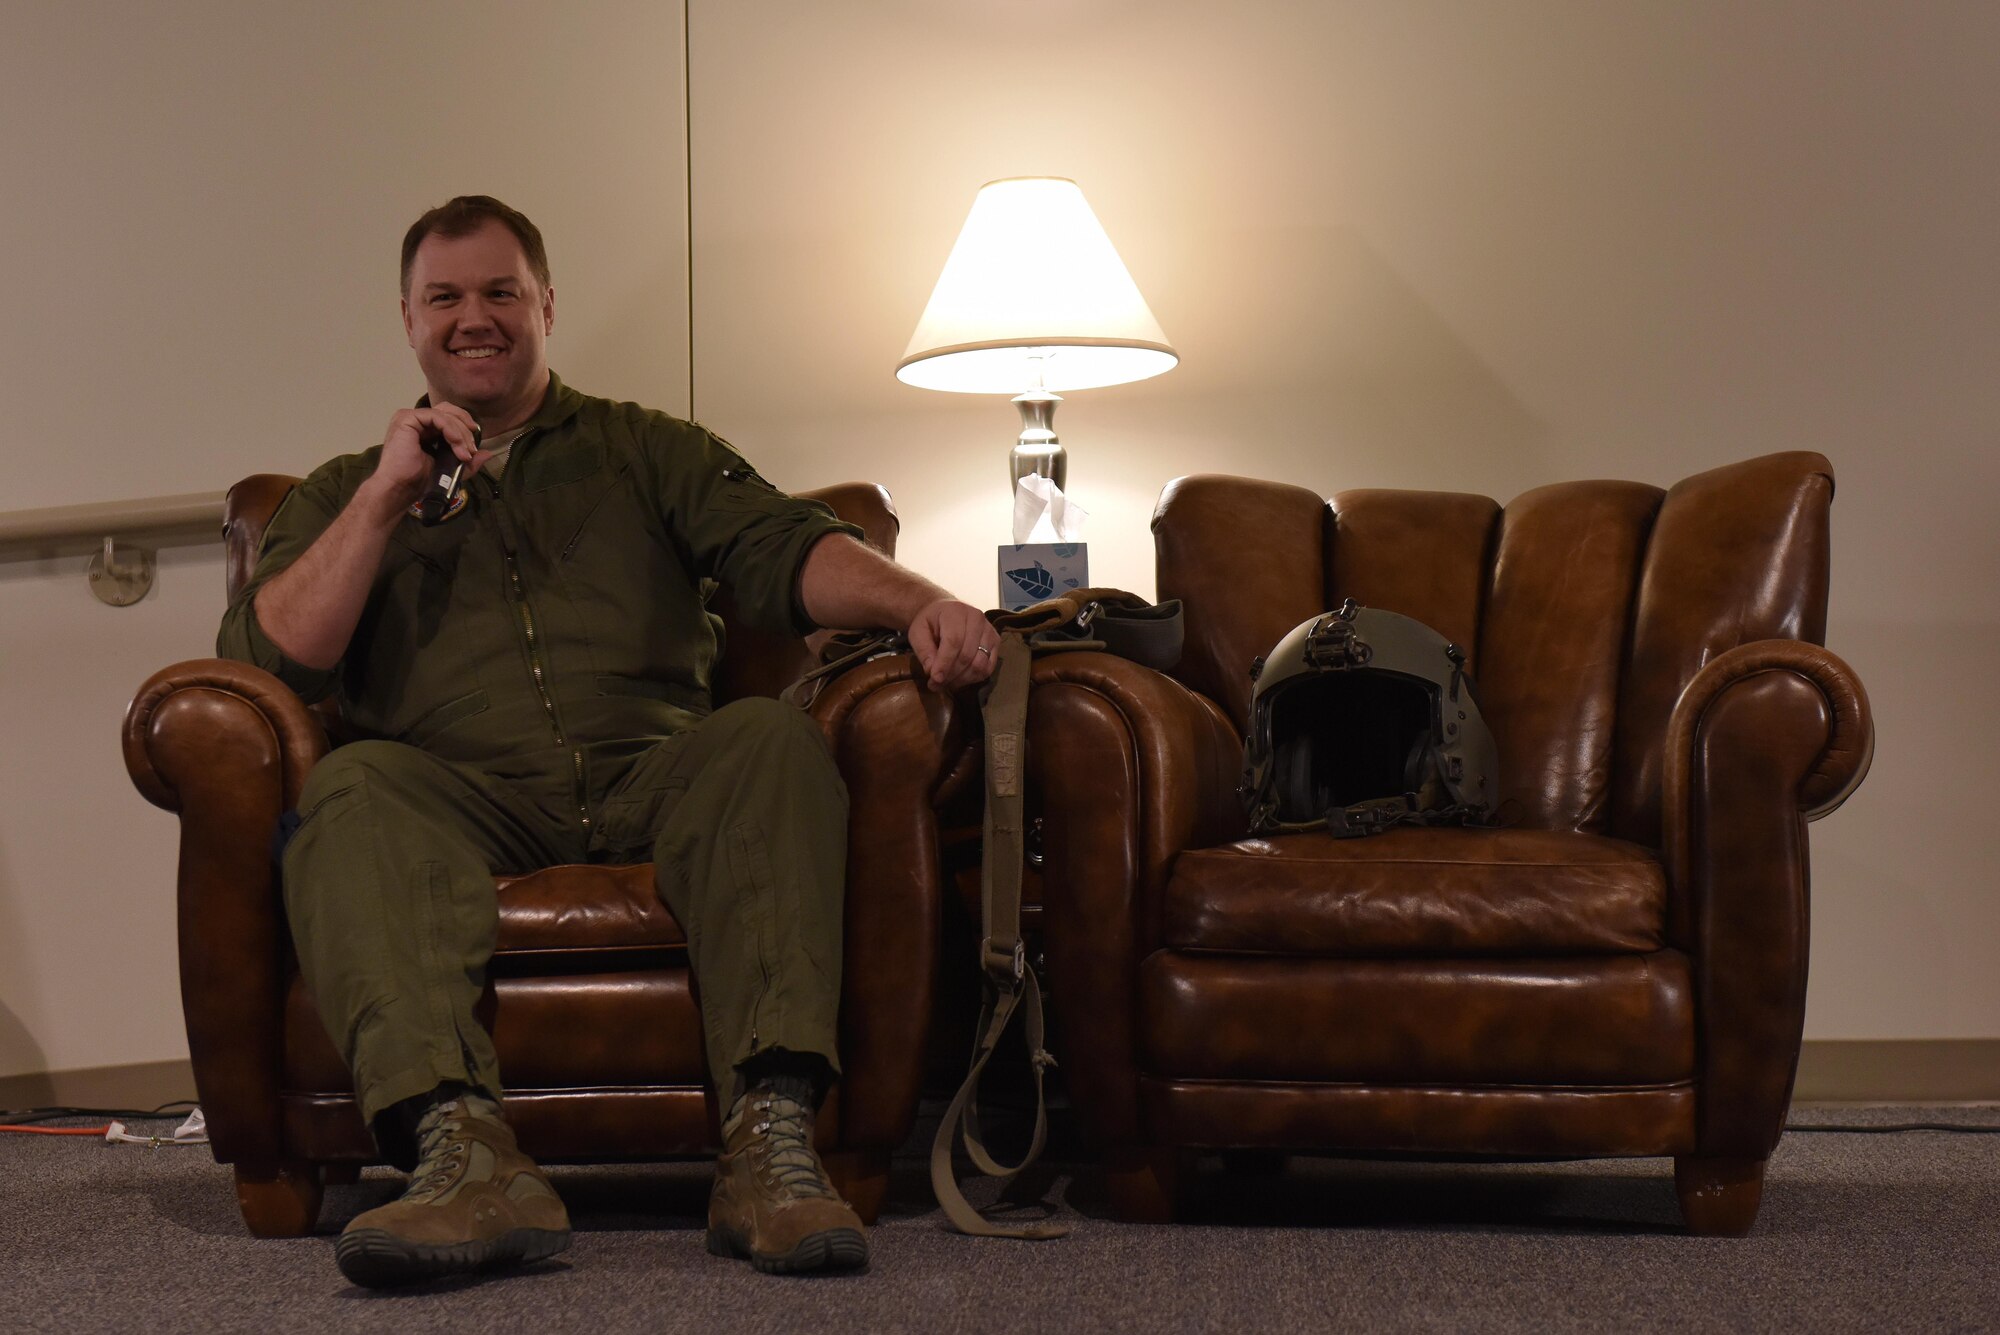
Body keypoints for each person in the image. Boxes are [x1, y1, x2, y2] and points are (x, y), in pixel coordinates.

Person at [217, 195, 999, 1287]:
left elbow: (784, 546)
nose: (474, 316)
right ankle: (463, 1158)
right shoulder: (347, 493)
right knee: (348, 788)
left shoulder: (645, 447)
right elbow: (270, 662)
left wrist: (916, 600)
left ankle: (768, 1151)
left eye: (500, 291)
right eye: (445, 297)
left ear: (545, 302)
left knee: (767, 741)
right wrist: (389, 498)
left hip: (653, 769)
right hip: (454, 791)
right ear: (407, 320)